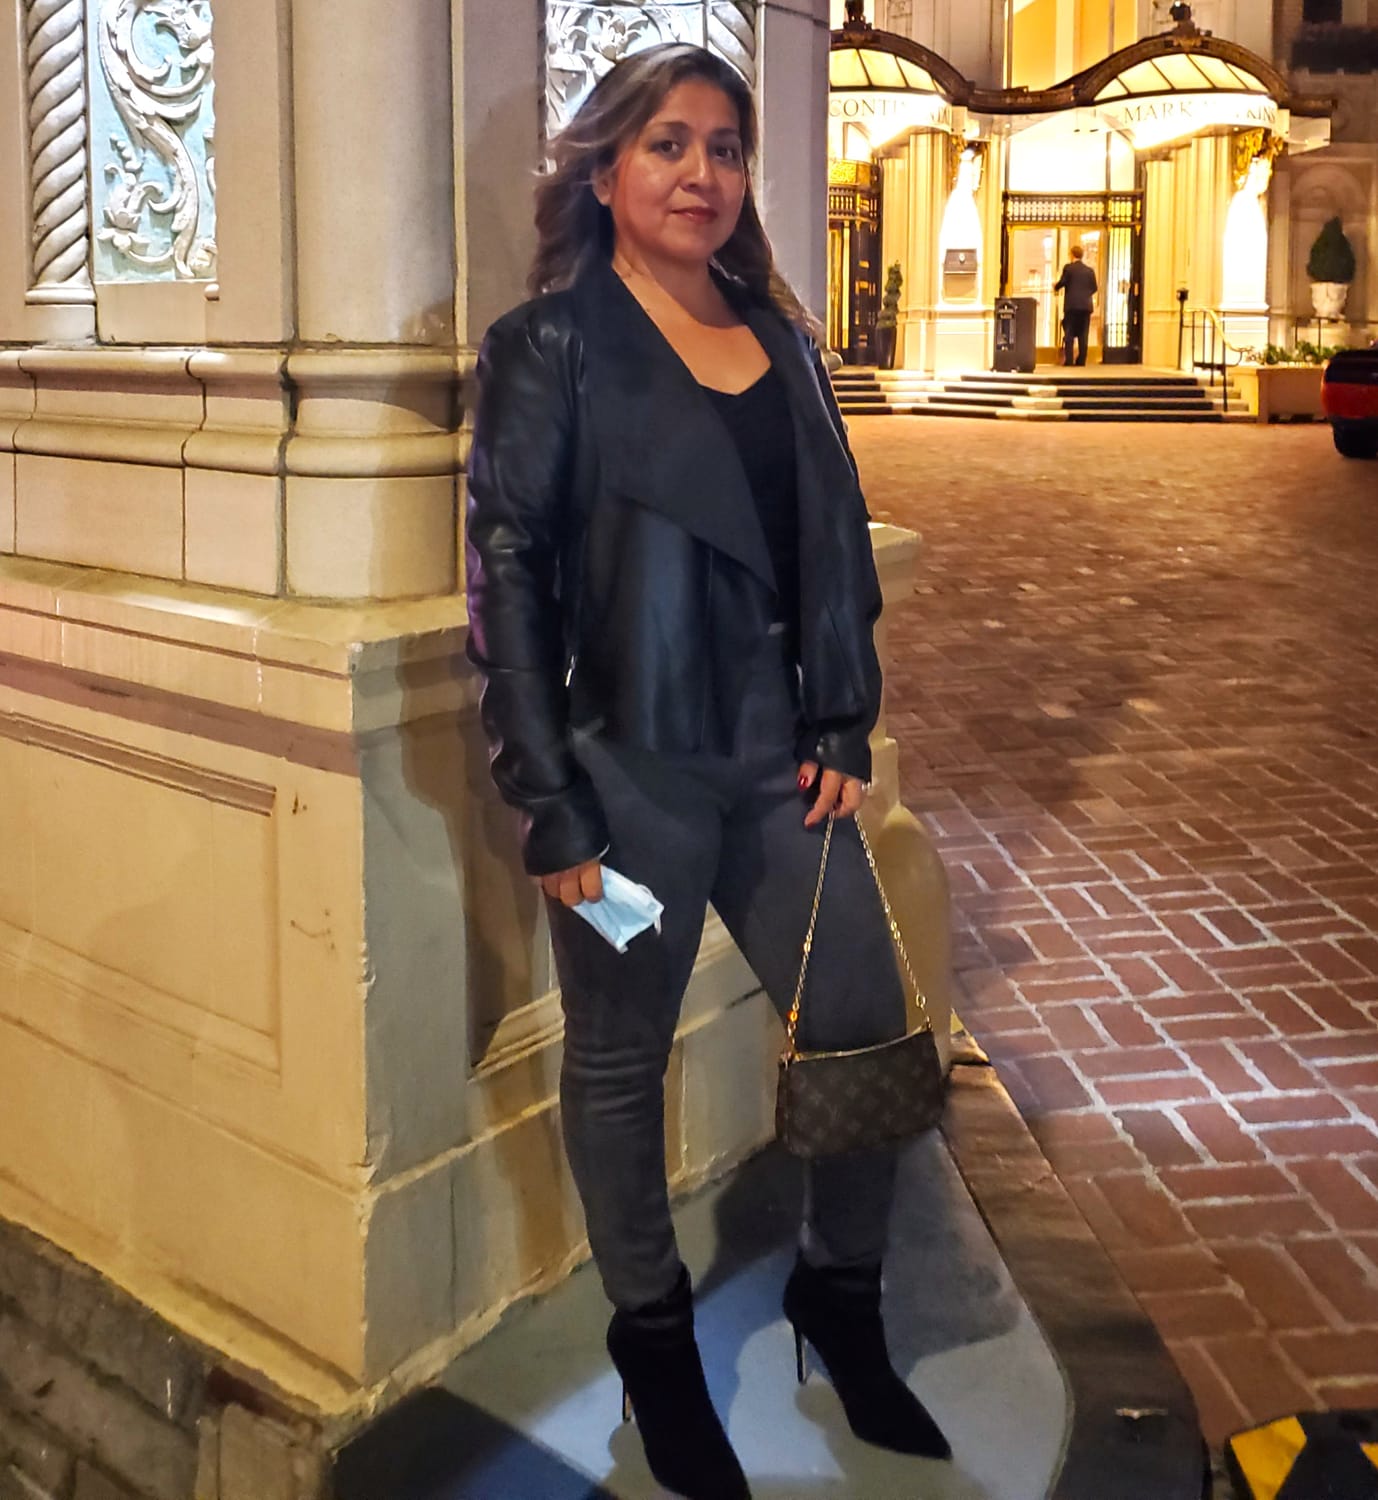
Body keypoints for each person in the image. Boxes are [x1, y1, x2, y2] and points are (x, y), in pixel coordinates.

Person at [464, 43, 951, 1500]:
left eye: (724, 148)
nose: (701, 174)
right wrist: (551, 806)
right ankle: (656, 1342)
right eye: (668, 144)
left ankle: (839, 1297)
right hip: (628, 782)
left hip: (777, 770)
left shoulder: (780, 336)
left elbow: (834, 544)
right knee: (621, 1060)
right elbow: (507, 583)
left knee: (863, 1021)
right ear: (604, 168)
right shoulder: (548, 346)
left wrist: (842, 721)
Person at [1054, 244, 1097, 366]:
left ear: (1072, 255)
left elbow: (1063, 282)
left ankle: (1069, 360)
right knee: (1084, 334)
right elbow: (1094, 287)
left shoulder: (1068, 268)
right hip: (1086, 307)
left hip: (1072, 306)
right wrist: (1085, 296)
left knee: (1069, 333)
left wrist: (1055, 287)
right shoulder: (1090, 271)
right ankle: (1081, 360)